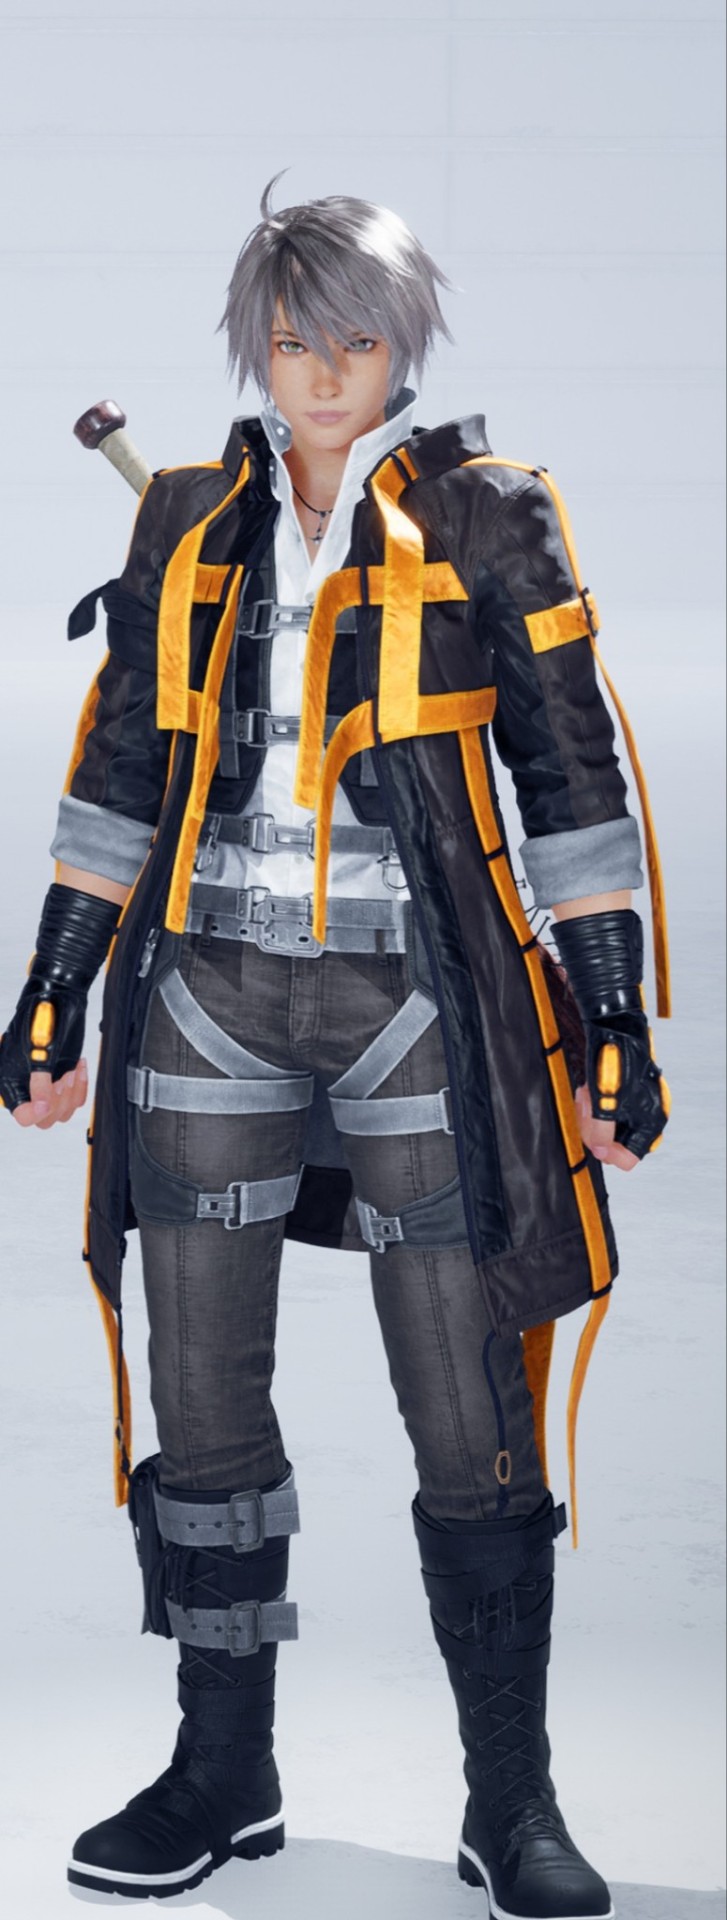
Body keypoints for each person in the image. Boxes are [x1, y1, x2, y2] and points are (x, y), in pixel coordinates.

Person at [0, 174, 670, 1915]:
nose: (320, 374)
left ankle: (510, 1802)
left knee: (469, 1410)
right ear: (258, 345)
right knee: (204, 1404)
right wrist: (57, 980)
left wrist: (613, 1015)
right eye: (293, 340)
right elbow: (122, 764)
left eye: (352, 342)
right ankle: (225, 1771)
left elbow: (572, 776)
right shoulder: (187, 518)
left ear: (399, 347)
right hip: (210, 994)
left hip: (420, 1003)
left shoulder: (489, 516)